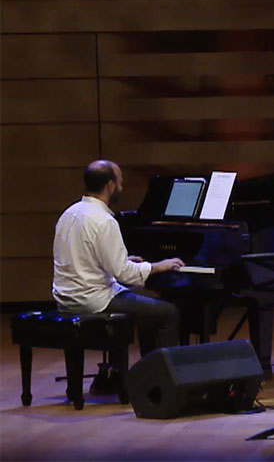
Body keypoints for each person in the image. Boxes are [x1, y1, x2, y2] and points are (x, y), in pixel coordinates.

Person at [52, 160, 186, 387]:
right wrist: (158, 265)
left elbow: (85, 258)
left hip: (66, 297)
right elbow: (125, 274)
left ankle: (134, 376)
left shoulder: (68, 214)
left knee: (149, 301)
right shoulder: (105, 221)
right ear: (110, 185)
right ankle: (165, 383)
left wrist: (123, 261)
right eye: (120, 182)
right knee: (168, 313)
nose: (122, 187)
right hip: (95, 301)